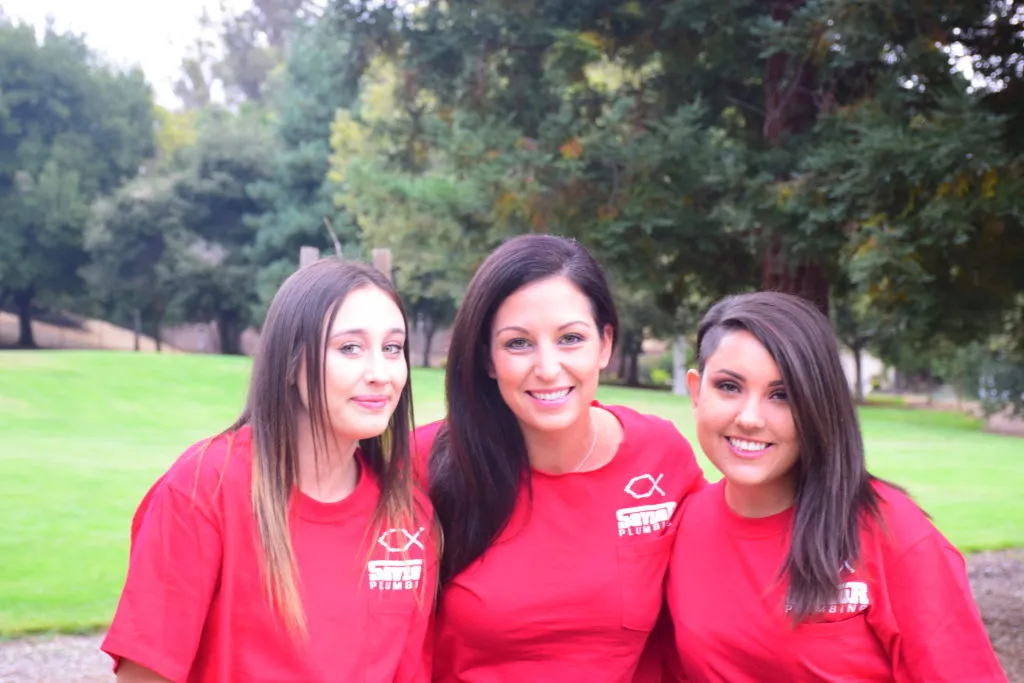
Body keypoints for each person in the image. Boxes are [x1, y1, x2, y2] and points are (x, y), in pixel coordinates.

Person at [102, 258, 437, 683]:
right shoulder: (205, 487)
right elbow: (144, 674)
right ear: (290, 361)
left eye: (392, 348)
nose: (380, 374)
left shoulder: (409, 518)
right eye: (350, 347)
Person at [666, 291, 1008, 682]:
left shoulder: (890, 531)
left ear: (818, 405)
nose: (750, 418)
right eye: (729, 386)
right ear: (696, 391)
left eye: (782, 395)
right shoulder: (683, 527)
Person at [416, 234, 705, 682]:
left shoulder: (659, 457)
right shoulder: (428, 464)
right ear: (487, 359)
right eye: (518, 344)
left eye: (570, 338)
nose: (548, 368)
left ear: (605, 344)